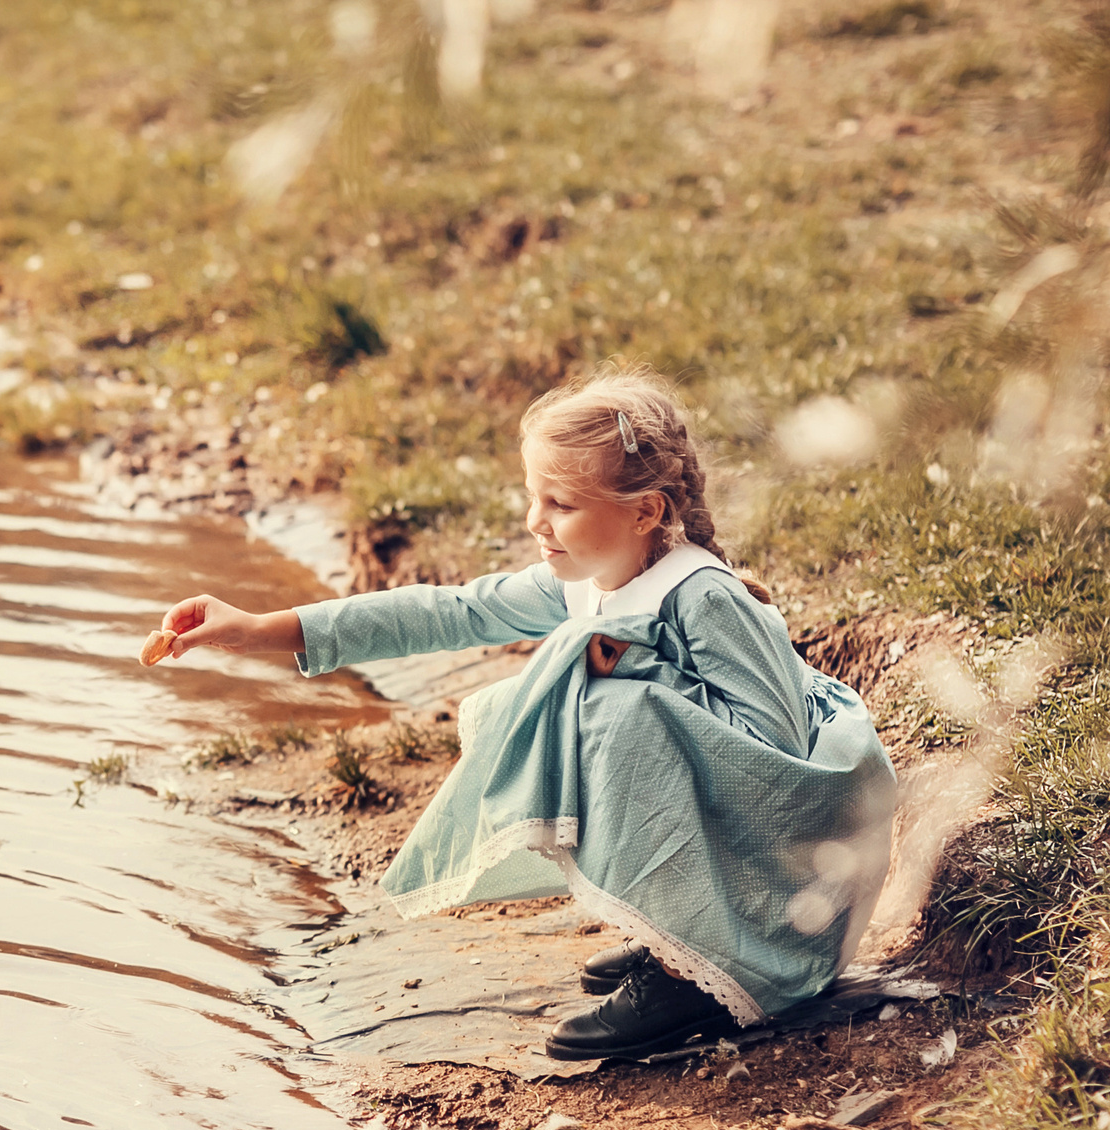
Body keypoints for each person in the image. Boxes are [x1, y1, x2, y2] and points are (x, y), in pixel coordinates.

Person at [151, 366, 897, 1060]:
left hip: (799, 859)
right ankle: (681, 930)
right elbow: (447, 612)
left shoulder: (703, 596)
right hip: (742, 826)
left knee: (611, 708)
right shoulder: (587, 579)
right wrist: (260, 628)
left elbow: (776, 754)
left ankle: (701, 972)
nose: (536, 521)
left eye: (561, 504)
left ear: (645, 511)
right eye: (534, 497)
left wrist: (630, 670)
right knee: (585, 694)